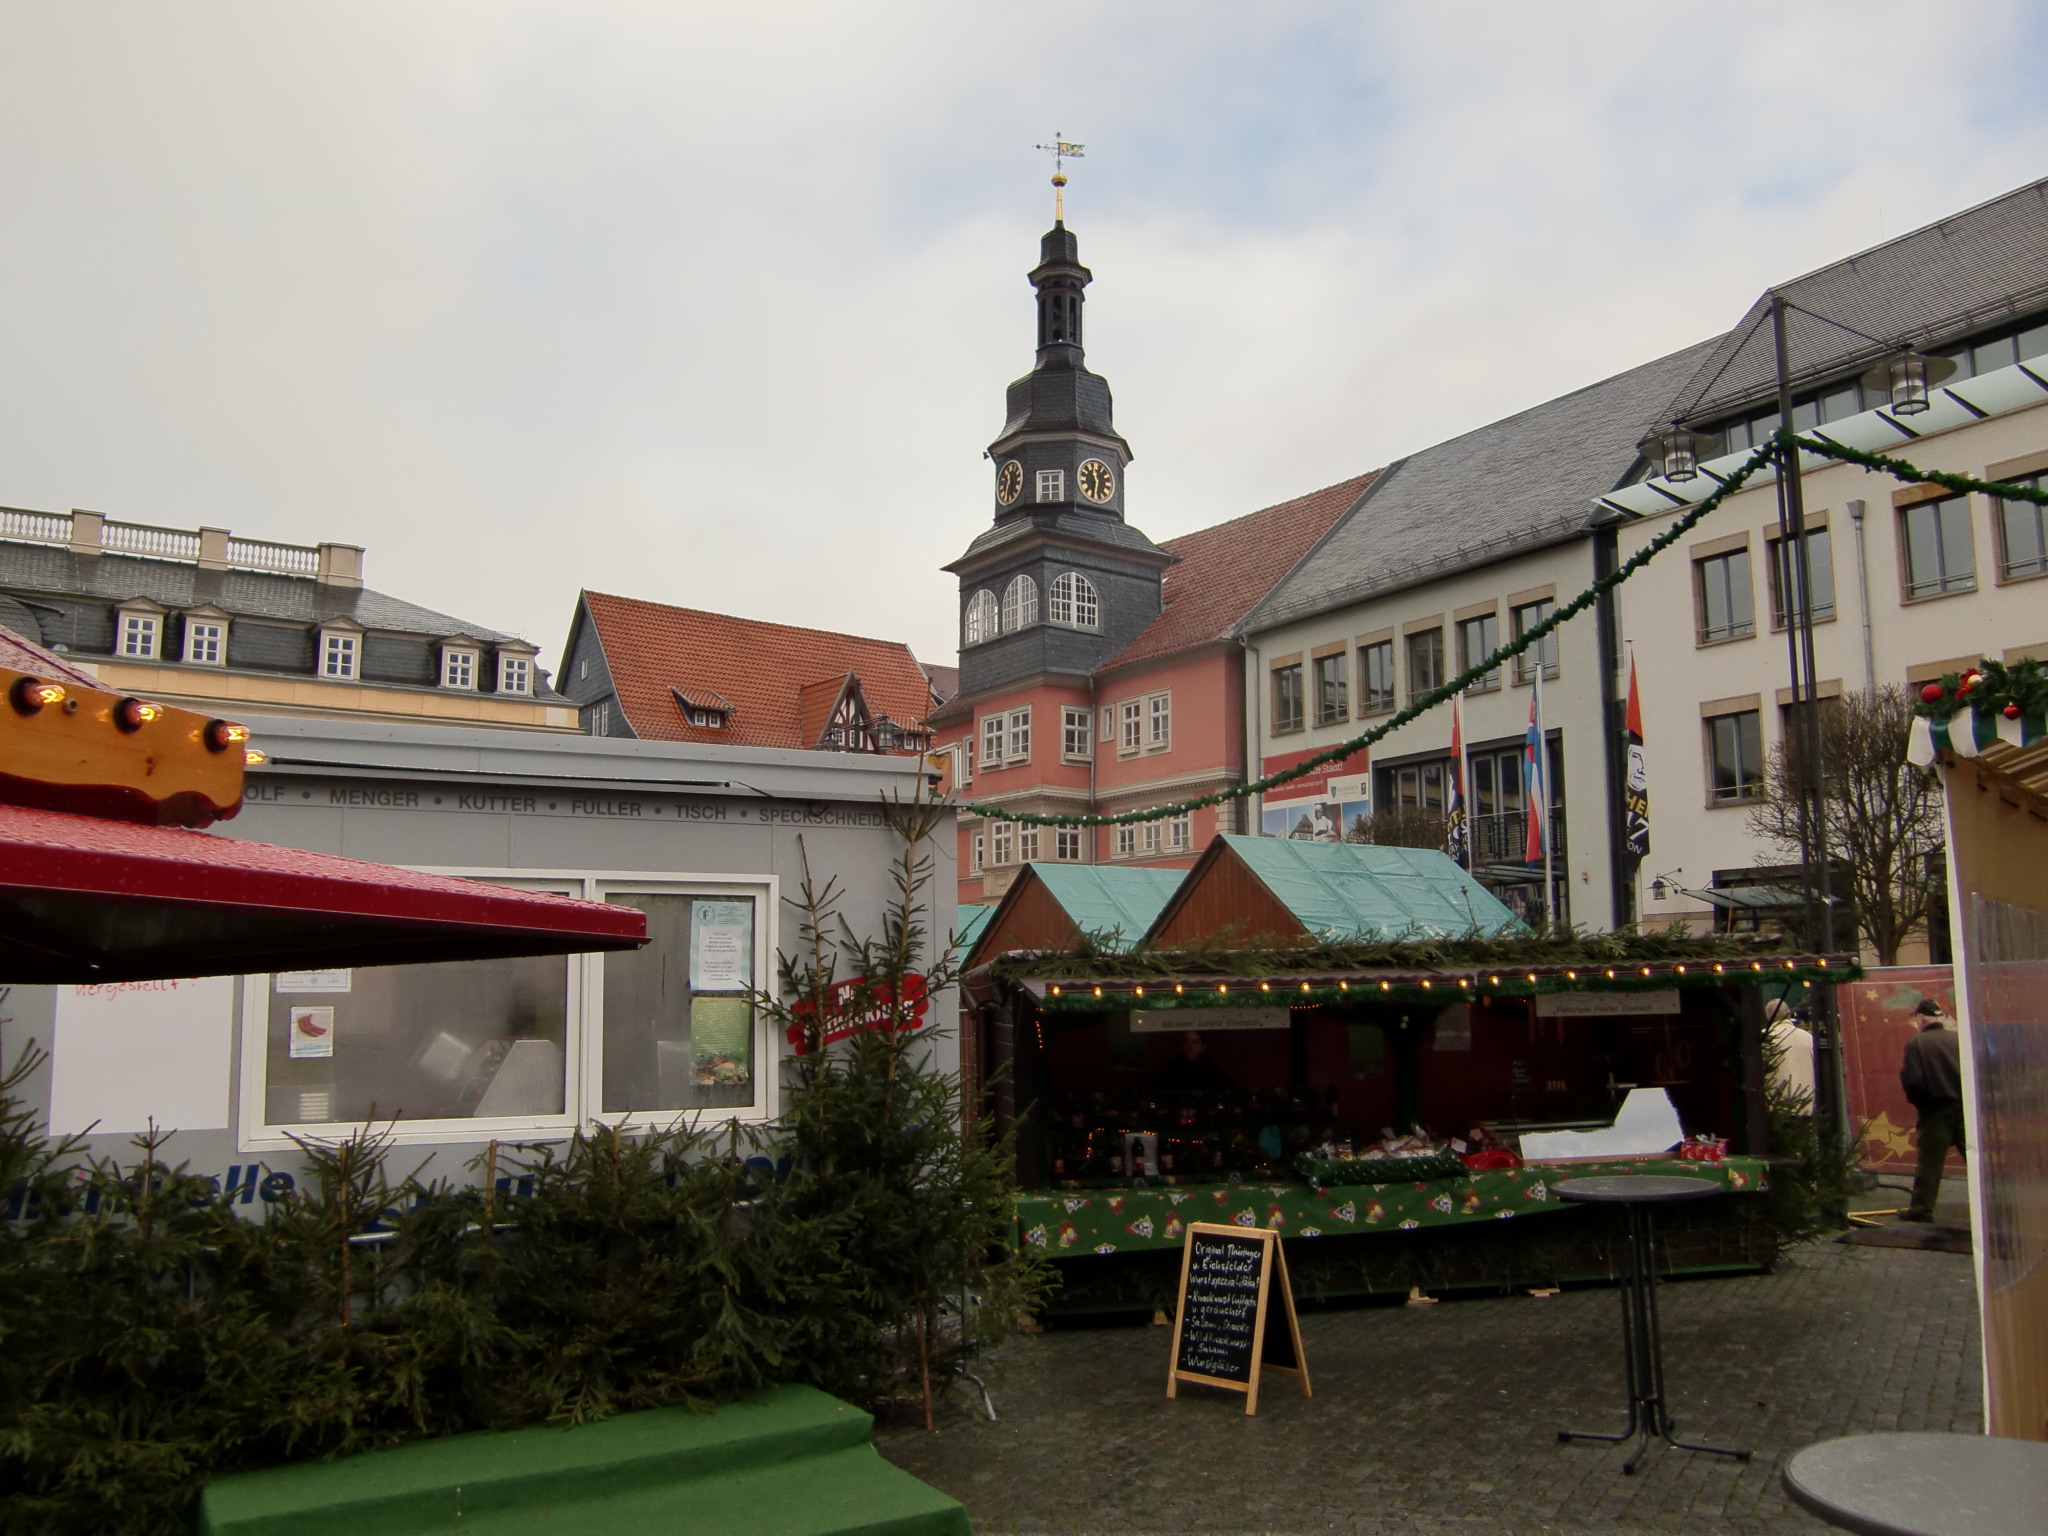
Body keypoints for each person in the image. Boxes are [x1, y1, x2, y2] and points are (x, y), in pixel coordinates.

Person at [1899, 998, 1964, 1223]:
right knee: (1975, 1159)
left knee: (1930, 1163)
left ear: (1920, 1018)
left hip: (1935, 1110)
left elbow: (1913, 1080)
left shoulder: (1916, 1043)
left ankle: (1921, 1209)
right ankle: (1994, 1206)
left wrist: (1922, 1104)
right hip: (1964, 1109)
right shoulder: (1957, 1039)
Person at [1155, 1030, 1231, 1092]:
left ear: (1203, 1047)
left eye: (1194, 1042)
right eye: (1186, 1042)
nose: (1189, 1046)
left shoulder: (1213, 1071)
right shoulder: (1170, 1069)